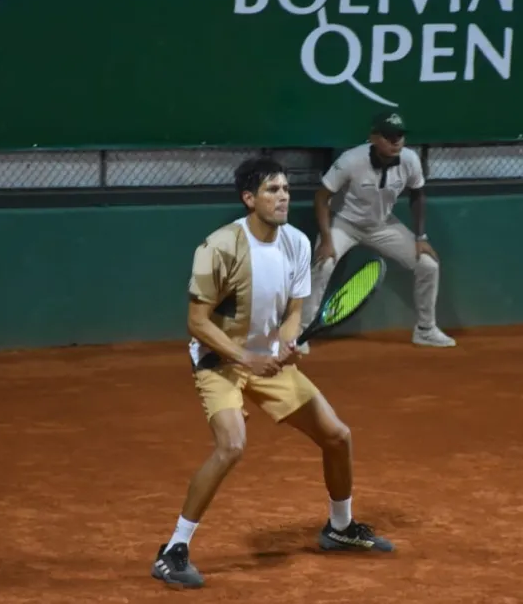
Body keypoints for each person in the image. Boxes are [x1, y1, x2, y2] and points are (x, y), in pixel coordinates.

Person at [151, 156, 395, 589]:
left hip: (266, 360)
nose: (283, 197)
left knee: (337, 436)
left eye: (285, 189)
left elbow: (294, 312)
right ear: (249, 199)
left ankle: (340, 527)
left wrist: (285, 342)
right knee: (232, 446)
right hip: (220, 360)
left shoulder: (297, 242)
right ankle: (173, 550)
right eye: (272, 190)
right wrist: (247, 359)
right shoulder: (217, 248)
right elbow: (197, 323)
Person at [299, 111, 456, 352]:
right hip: (343, 223)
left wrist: (421, 237)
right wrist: (327, 240)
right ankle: (300, 333)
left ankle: (425, 330)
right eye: (389, 136)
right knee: (324, 264)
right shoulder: (351, 160)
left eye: (400, 136)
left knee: (428, 265)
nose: (396, 142)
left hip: (382, 225)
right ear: (373, 137)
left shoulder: (410, 160)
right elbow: (321, 198)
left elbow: (417, 194)